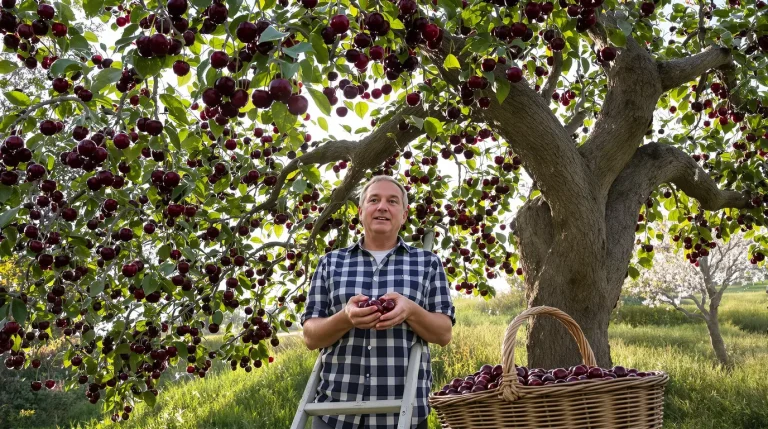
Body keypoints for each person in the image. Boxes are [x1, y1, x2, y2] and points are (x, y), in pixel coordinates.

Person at [301, 175, 456, 429]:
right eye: (374, 200)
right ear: (361, 212)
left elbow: (443, 334)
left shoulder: (428, 263)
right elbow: (310, 337)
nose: (382, 206)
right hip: (335, 414)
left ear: (404, 215)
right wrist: (346, 318)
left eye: (392, 201)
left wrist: (411, 311)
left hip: (405, 416)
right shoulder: (330, 263)